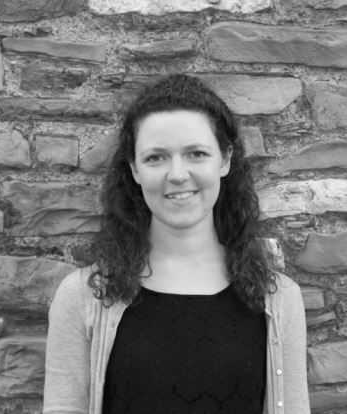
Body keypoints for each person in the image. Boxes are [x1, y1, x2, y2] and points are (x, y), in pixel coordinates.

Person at [43, 74, 310, 414]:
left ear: (225, 159)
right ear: (135, 169)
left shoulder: (280, 300)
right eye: (156, 158)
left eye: (196, 153)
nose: (178, 174)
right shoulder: (83, 298)